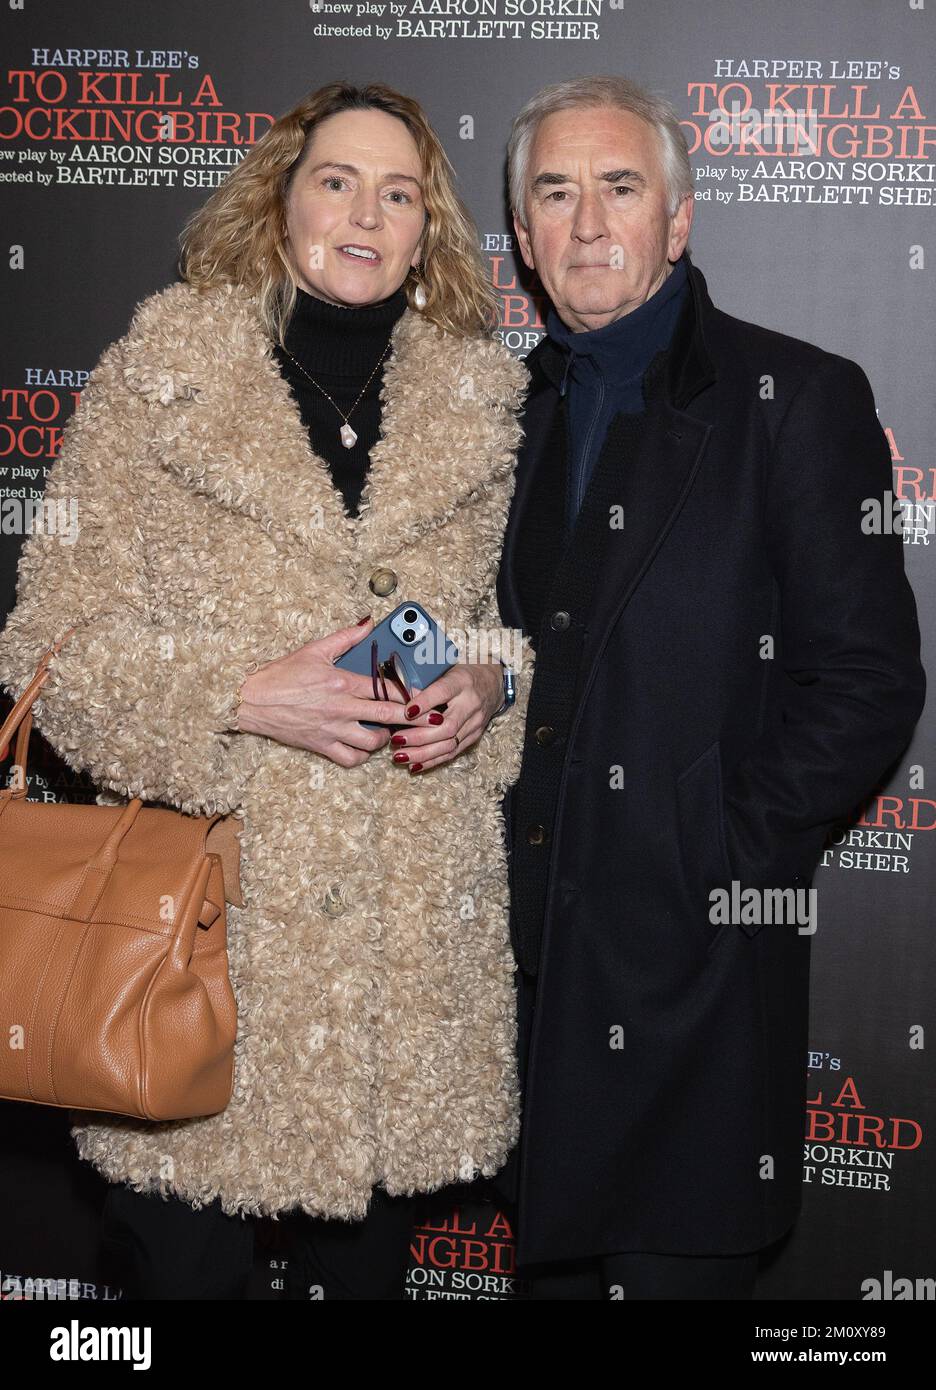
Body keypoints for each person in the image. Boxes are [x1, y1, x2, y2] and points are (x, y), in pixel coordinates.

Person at [0, 80, 534, 1300]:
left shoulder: (487, 401)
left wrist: (488, 689)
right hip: (201, 945)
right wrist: (238, 695)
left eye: (399, 193)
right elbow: (50, 639)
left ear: (429, 228)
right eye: (337, 180)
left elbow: (517, 631)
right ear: (280, 200)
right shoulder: (161, 375)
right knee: (169, 1284)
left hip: (400, 967)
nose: (366, 212)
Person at [492, 75, 926, 1299]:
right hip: (518, 993)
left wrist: (718, 852)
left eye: (620, 189)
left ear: (677, 222)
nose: (587, 226)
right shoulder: (490, 415)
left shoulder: (795, 398)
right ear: (521, 237)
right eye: (556, 195)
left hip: (695, 998)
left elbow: (866, 679)